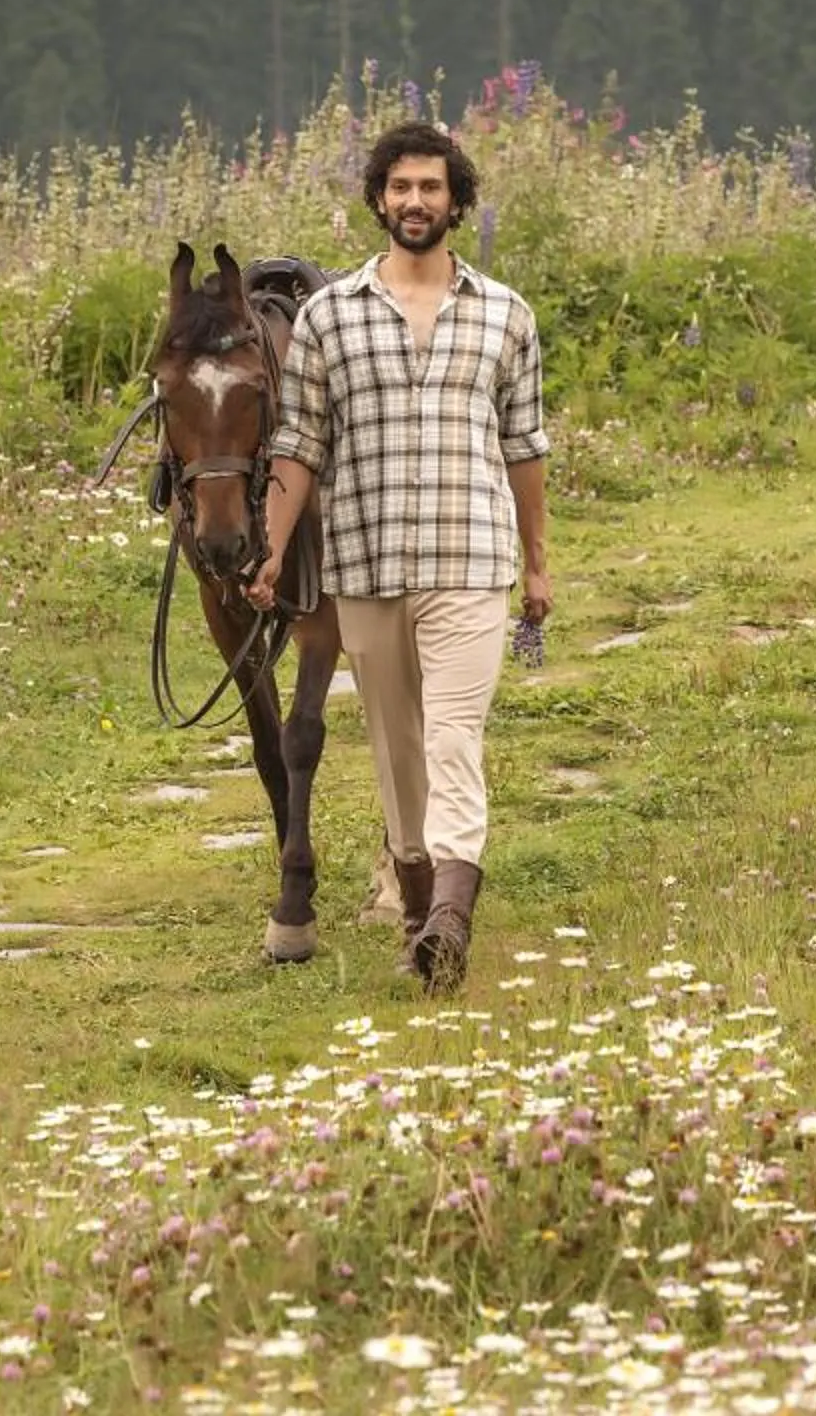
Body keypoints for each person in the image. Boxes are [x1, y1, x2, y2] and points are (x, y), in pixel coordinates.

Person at [246, 121, 552, 996]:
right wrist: (270, 550)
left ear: (457, 201)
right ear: (379, 200)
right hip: (366, 567)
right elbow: (300, 446)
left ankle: (450, 922)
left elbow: (524, 445)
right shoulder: (328, 316)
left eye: (431, 187)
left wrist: (537, 564)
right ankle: (418, 909)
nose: (415, 202)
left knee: (455, 737)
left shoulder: (505, 314)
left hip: (470, 558)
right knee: (397, 752)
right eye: (400, 188)